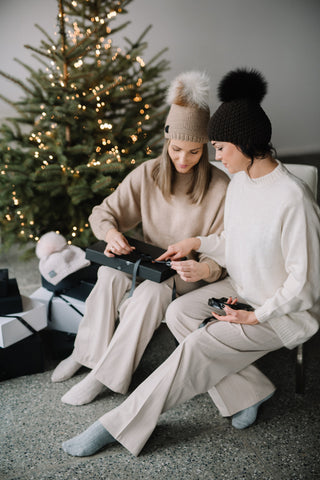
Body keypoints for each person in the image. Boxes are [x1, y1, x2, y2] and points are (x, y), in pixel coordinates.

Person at [61, 67, 320, 457]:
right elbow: (234, 240)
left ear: (245, 143)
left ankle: (117, 426)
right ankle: (250, 392)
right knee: (180, 312)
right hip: (242, 288)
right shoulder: (243, 183)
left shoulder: (294, 199)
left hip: (280, 310)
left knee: (199, 347)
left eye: (219, 147)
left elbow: (305, 285)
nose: (214, 156)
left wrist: (256, 315)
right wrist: (197, 241)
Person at [51, 71, 229, 406]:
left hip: (186, 275)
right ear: (167, 141)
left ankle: (104, 377)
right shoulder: (148, 174)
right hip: (146, 262)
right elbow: (102, 213)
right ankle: (86, 354)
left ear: (204, 147)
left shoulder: (220, 187)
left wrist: (205, 270)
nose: (183, 160)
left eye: (194, 152)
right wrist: (112, 232)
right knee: (107, 273)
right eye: (177, 149)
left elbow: (224, 249)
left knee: (151, 293)